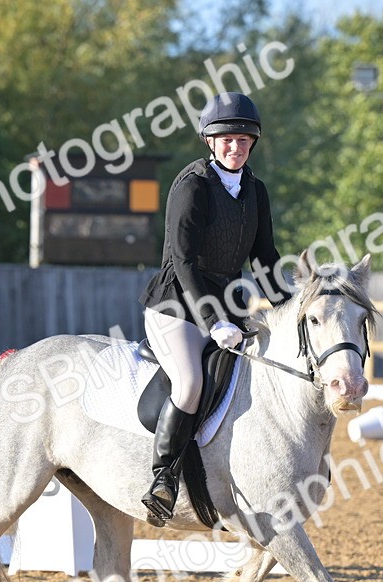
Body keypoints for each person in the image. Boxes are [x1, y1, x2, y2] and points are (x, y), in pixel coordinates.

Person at [137, 92, 286, 525]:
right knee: (189, 384)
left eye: (243, 140)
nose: (235, 147)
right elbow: (183, 261)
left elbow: (264, 257)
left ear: (252, 143)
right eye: (227, 140)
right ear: (210, 141)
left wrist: (289, 305)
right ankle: (163, 479)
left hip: (228, 305)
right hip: (178, 305)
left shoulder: (255, 191)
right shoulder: (192, 185)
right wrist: (212, 320)